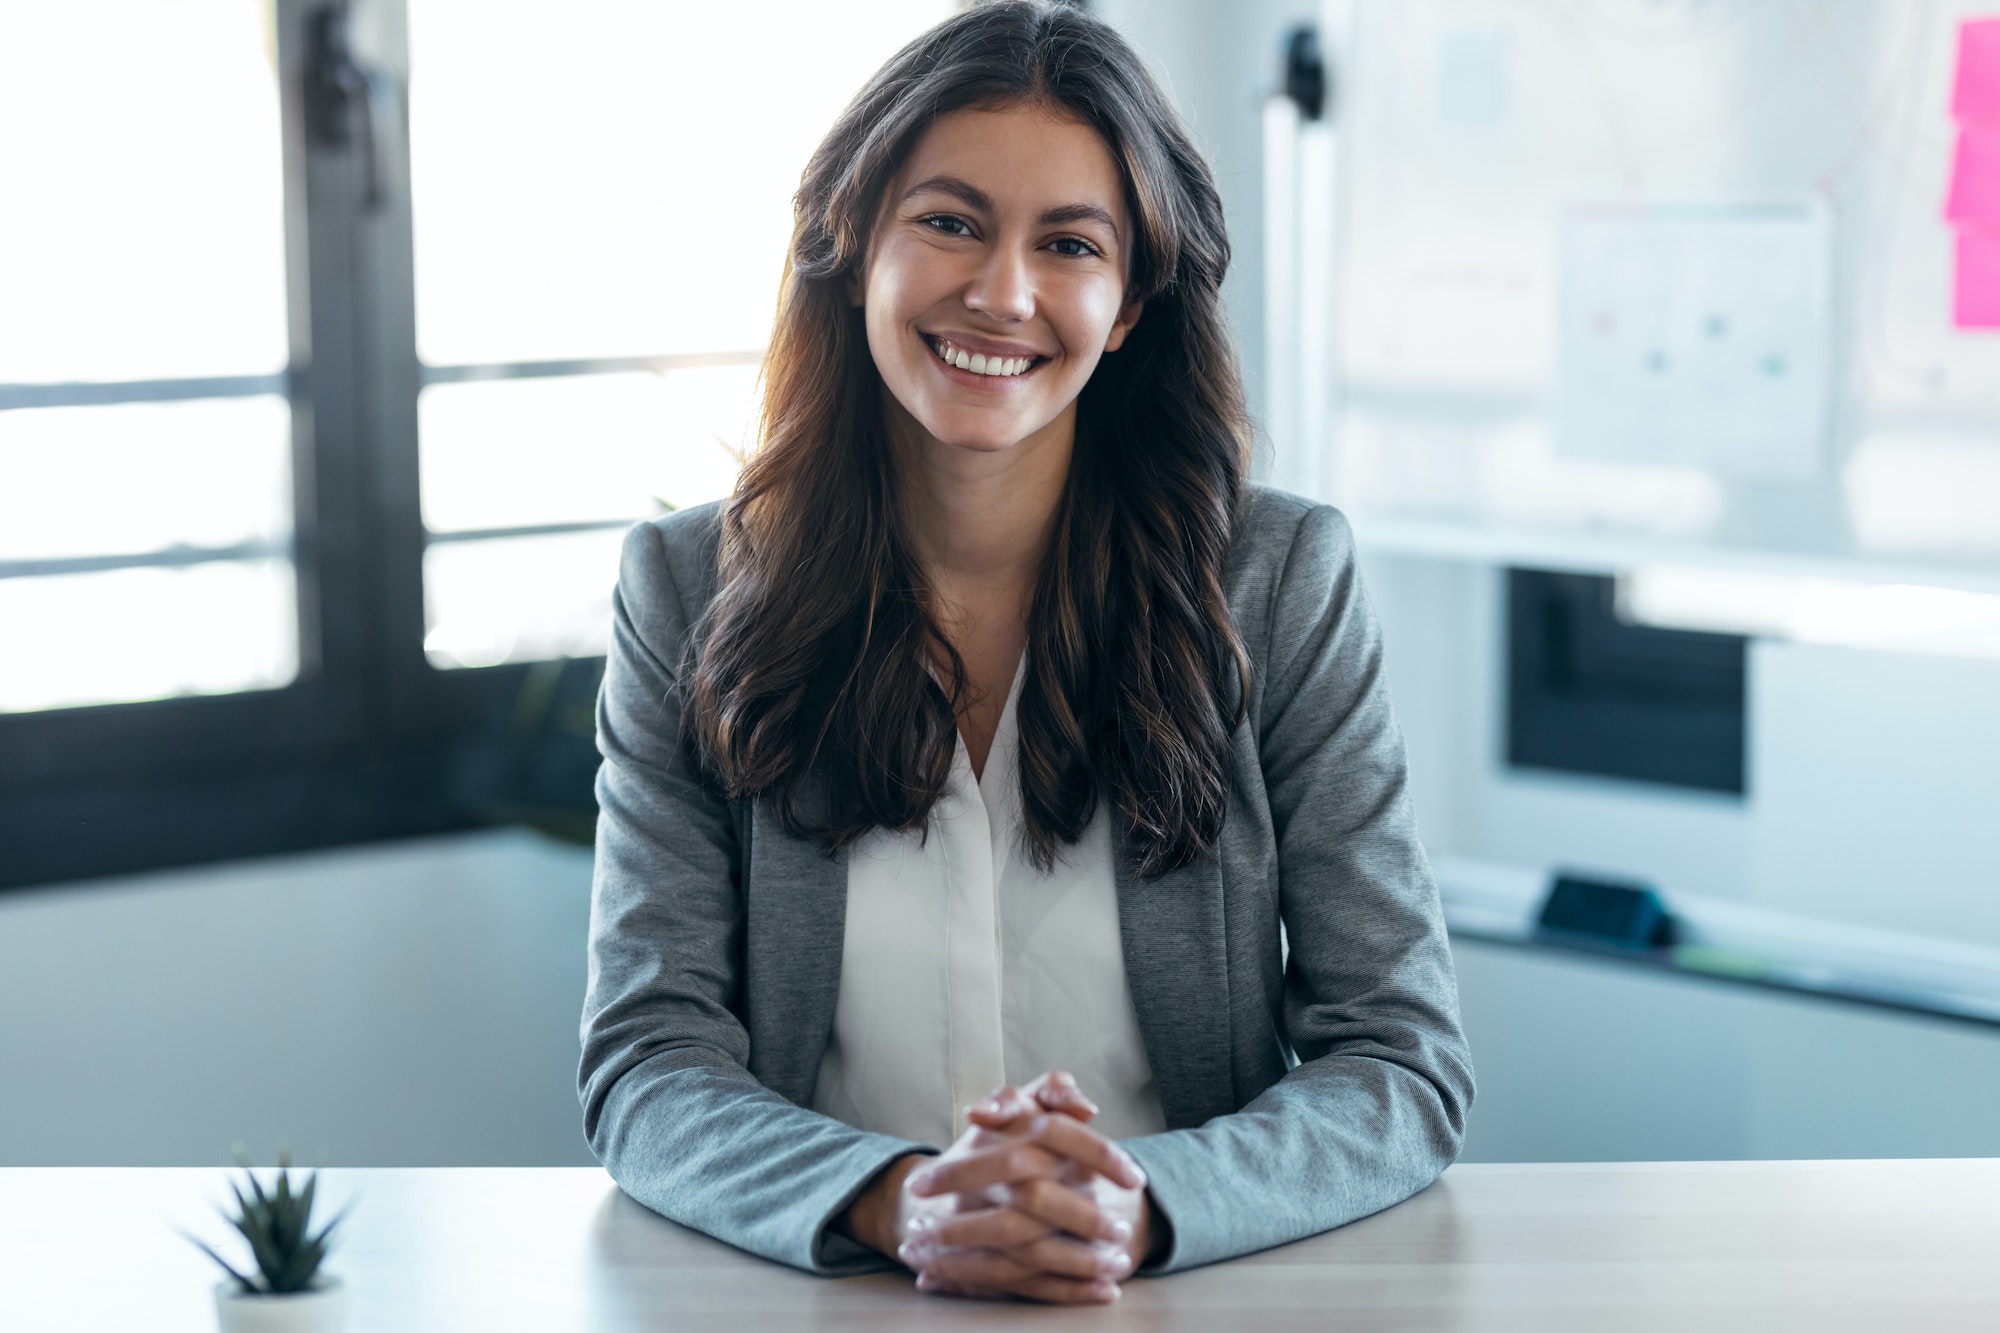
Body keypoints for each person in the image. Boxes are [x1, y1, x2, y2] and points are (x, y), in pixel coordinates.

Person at [579, 0, 1473, 1306]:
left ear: (1126, 309)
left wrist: (1147, 1206)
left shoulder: (1277, 584)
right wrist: (903, 1202)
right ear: (852, 243)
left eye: (1068, 243)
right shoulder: (685, 587)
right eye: (949, 221)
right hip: (837, 1294)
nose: (1002, 292)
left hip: (1176, 1294)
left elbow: (1399, 1056)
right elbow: (649, 1061)